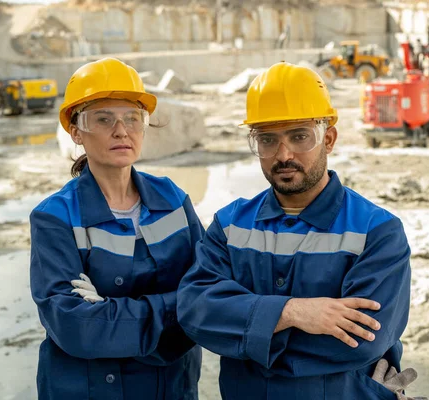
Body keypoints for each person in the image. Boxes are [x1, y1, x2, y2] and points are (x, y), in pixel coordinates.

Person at [177, 62, 413, 400]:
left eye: (300, 136)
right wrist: (293, 313)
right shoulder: (230, 225)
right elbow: (195, 312)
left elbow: (361, 341)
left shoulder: (377, 231)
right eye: (268, 139)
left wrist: (246, 332)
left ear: (328, 138)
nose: (284, 154)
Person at [29, 57, 203, 400]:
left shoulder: (173, 199)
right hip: (89, 389)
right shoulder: (55, 217)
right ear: (76, 131)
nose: (121, 130)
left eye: (132, 118)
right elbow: (77, 327)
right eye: (104, 119)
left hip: (172, 388)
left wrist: (110, 312)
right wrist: (177, 307)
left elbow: (207, 293)